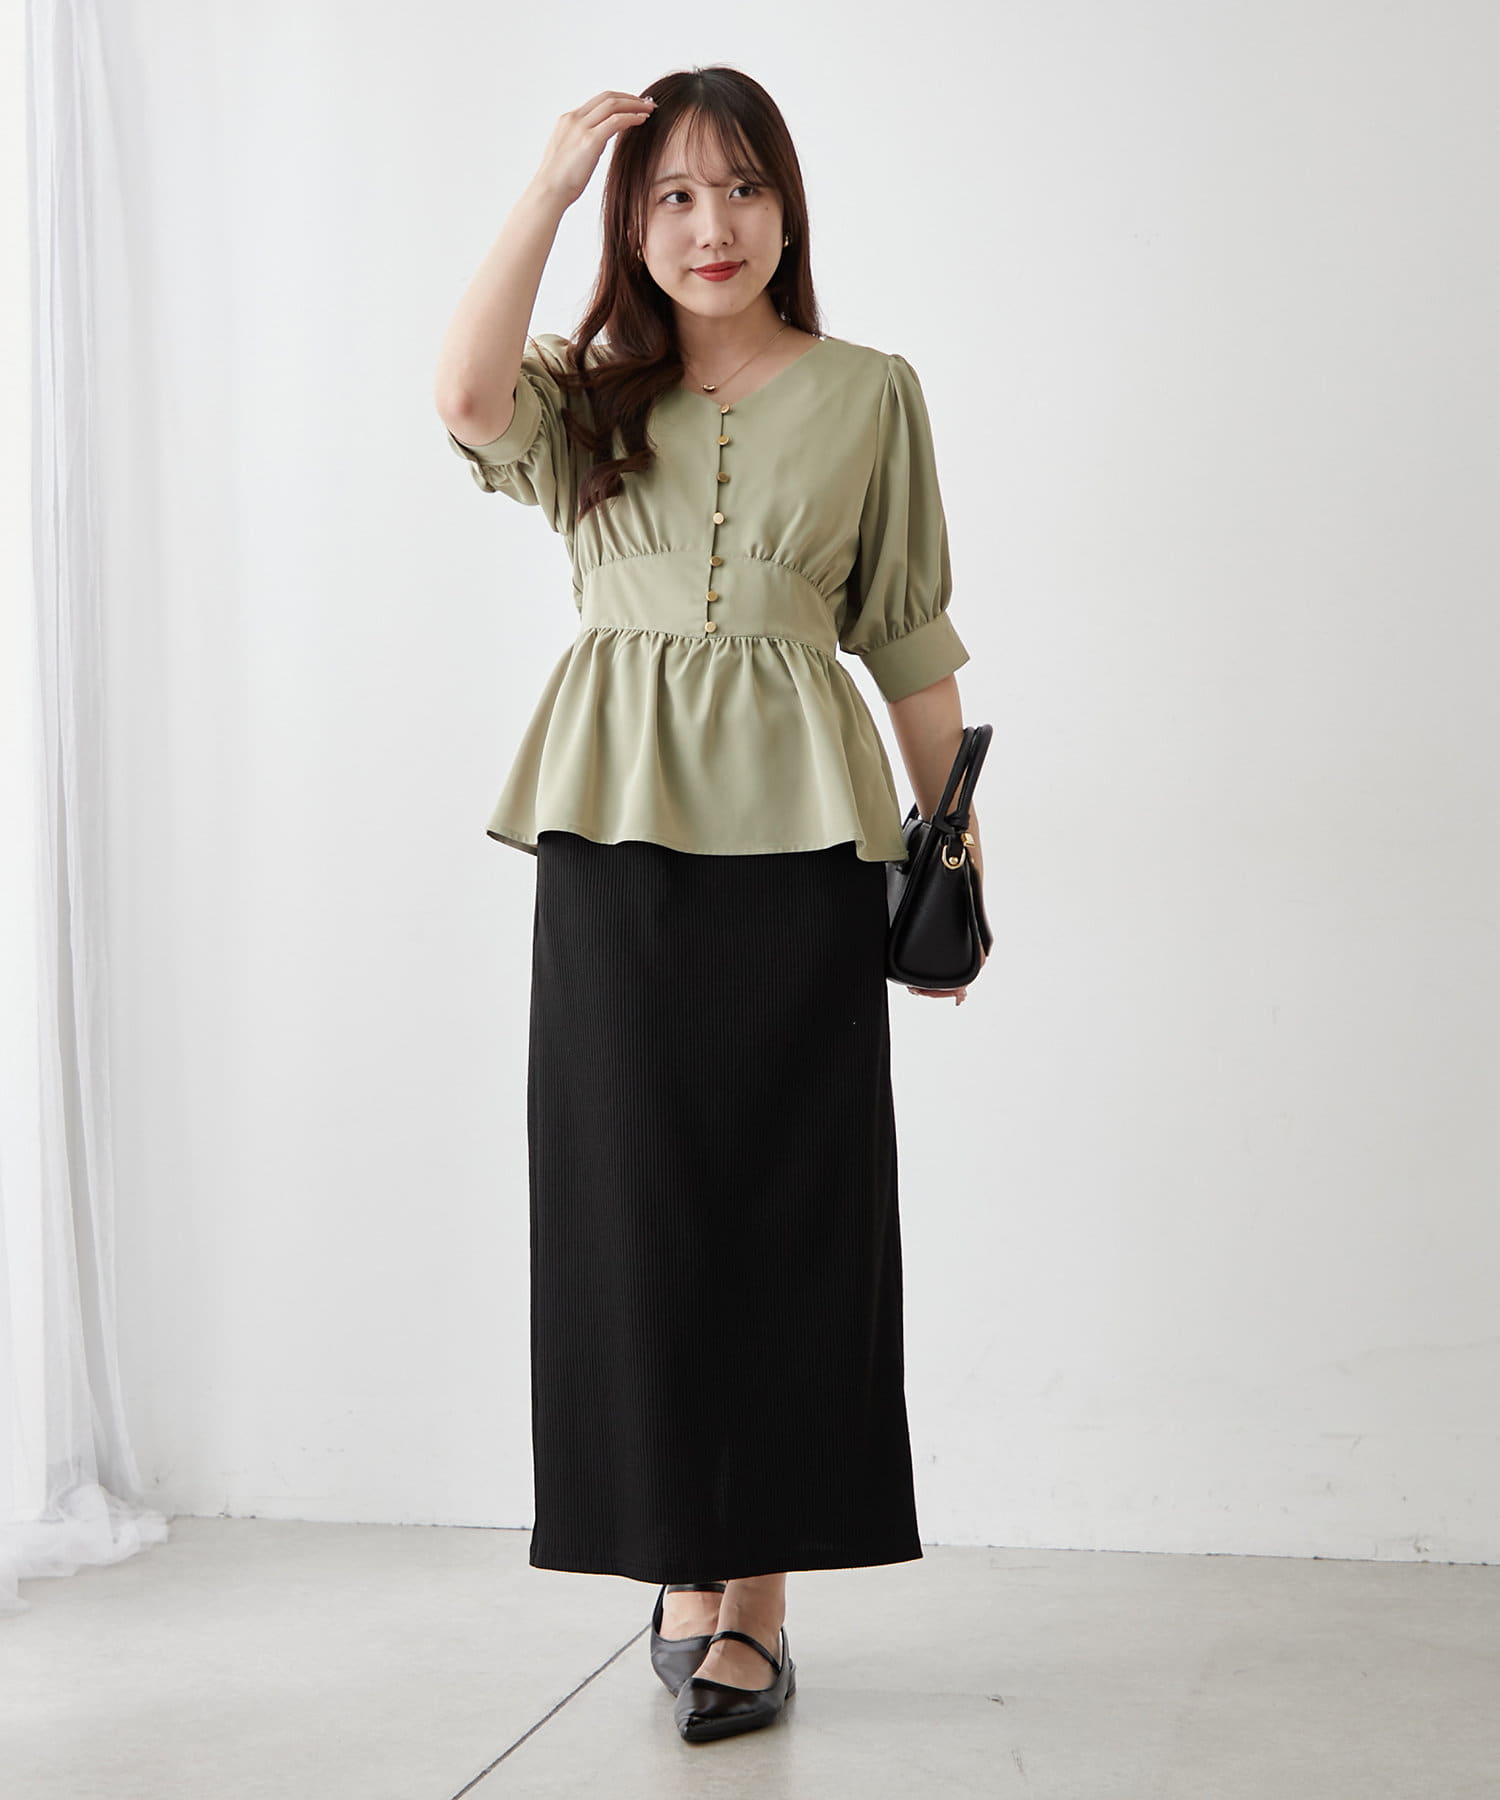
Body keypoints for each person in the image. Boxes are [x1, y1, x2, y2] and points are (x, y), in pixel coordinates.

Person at [433, 64, 986, 1746]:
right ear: (633, 224)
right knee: (636, 1207)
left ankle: (758, 1596)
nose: (711, 224)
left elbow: (909, 643)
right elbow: (461, 396)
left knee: (794, 1212)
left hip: (807, 849)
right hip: (615, 843)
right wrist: (546, 186)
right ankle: (679, 1561)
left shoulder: (872, 393)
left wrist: (955, 863)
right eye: (671, 194)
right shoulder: (584, 396)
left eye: (741, 188)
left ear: (787, 209)